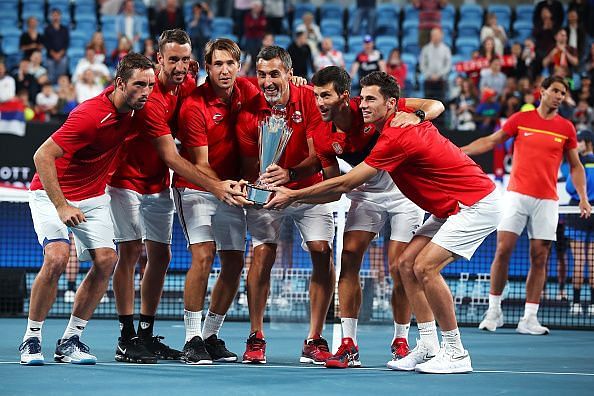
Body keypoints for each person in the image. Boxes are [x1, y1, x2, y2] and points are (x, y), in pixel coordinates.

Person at [266, 71, 502, 374]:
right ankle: (429, 346)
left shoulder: (397, 134)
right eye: (362, 98)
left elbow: (345, 183)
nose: (362, 105)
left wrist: (292, 195)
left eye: (370, 100)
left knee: (425, 267)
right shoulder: (373, 125)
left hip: (475, 204)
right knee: (406, 265)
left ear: (391, 104)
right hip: (450, 207)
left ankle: (456, 352)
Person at [107, 30, 247, 365]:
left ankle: (145, 334)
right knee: (128, 253)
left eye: (186, 59)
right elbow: (173, 157)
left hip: (157, 185)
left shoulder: (186, 83)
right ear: (159, 60)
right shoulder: (151, 98)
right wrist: (218, 186)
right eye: (173, 60)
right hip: (125, 180)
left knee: (162, 256)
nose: (181, 66)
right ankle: (126, 338)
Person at [19, 52, 156, 366]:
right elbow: (42, 156)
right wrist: (62, 205)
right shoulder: (90, 114)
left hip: (94, 196)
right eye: (139, 84)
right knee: (56, 258)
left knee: (107, 260)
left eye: (149, 84)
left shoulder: (138, 106)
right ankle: (31, 337)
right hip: (52, 193)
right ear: (120, 83)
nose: (147, 91)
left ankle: (70, 339)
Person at [308, 66, 444, 369]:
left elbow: (436, 106)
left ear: (345, 97)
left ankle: (400, 339)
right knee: (349, 258)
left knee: (399, 267)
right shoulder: (321, 134)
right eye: (316, 96)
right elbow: (334, 188)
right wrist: (290, 194)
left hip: (402, 192)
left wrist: (417, 116)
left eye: (325, 96)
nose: (319, 103)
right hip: (363, 193)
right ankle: (349, 344)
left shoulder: (370, 104)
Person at [462, 75, 591, 335]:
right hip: (517, 196)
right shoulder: (521, 120)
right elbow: (491, 141)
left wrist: (584, 198)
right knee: (503, 250)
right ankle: (494, 311)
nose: (558, 96)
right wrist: (460, 150)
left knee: (540, 257)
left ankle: (529, 318)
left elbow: (576, 166)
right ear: (541, 91)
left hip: (547, 200)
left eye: (562, 93)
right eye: (555, 90)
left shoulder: (566, 128)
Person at [237, 46, 335, 365]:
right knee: (263, 253)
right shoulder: (250, 109)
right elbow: (250, 162)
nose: (267, 81)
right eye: (261, 74)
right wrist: (260, 182)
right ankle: (256, 336)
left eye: (274, 74)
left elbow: (318, 155)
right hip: (268, 192)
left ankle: (314, 337)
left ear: (288, 74)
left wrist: (291, 173)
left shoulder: (308, 98)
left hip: (306, 189)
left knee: (322, 251)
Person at [174, 38, 259, 365]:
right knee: (204, 255)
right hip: (195, 187)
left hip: (232, 189)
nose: (225, 70)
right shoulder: (194, 105)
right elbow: (200, 163)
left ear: (239, 66)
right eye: (218, 64)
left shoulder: (248, 91)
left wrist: (295, 81)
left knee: (236, 262)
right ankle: (191, 339)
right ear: (207, 67)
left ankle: (210, 334)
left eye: (230, 64)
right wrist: (224, 186)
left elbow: (279, 95)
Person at [565, 130, 594, 316]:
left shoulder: (579, 163)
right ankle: (592, 305)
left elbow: (569, 188)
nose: (578, 145)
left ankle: (575, 303)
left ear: (587, 142)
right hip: (593, 212)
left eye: (580, 141)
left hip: (577, 212)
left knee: (579, 261)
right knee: (592, 261)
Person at [419, 28, 451, 103]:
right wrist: (429, 75)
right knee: (428, 103)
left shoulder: (446, 49)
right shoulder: (425, 49)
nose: (435, 37)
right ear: (431, 36)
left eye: (437, 35)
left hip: (441, 80)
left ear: (441, 36)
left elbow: (448, 65)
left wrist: (439, 75)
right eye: (433, 35)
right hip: (429, 80)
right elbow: (422, 65)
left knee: (440, 103)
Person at [43, 9, 69, 84]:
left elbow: (66, 43)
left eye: (57, 15)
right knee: (51, 76)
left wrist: (60, 54)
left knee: (62, 75)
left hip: (62, 56)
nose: (55, 17)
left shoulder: (64, 29)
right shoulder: (47, 29)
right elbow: (46, 43)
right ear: (51, 17)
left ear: (60, 16)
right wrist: (54, 54)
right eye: (54, 15)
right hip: (50, 56)